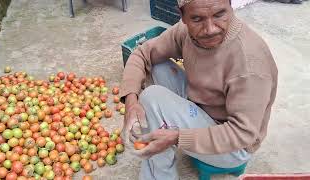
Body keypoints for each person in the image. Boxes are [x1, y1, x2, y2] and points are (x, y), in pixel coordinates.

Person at [119, 0, 278, 179]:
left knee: (150, 98)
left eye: (219, 15)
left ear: (230, 6)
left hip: (235, 146)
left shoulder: (249, 63)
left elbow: (243, 134)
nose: (210, 29)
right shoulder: (185, 32)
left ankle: (159, 175)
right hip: (205, 110)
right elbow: (141, 53)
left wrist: (177, 138)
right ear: (182, 16)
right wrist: (131, 101)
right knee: (158, 65)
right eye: (197, 19)